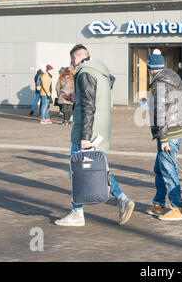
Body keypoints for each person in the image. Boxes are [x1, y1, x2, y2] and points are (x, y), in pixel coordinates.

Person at [55, 44, 135, 227]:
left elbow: (89, 107)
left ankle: (78, 213)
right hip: (100, 131)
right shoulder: (100, 72)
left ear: (76, 58)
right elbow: (93, 100)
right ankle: (122, 199)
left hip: (87, 133)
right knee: (99, 171)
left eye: (71, 61)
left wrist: (85, 136)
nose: (71, 64)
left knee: (76, 171)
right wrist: (77, 99)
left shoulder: (84, 73)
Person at [146, 49, 182, 221]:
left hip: (169, 133)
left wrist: (163, 138)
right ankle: (159, 203)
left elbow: (160, 112)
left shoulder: (159, 84)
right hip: (175, 129)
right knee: (160, 169)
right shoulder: (172, 78)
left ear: (151, 68)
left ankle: (177, 208)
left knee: (168, 169)